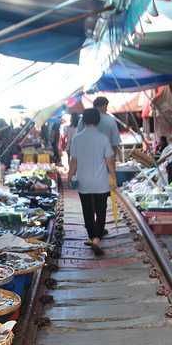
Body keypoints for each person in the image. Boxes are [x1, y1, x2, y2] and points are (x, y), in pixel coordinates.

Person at [69, 108, 115, 256]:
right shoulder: (103, 138)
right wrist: (113, 176)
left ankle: (92, 236)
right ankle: (97, 238)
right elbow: (109, 161)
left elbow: (73, 162)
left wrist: (70, 176)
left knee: (87, 210)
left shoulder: (76, 138)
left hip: (84, 181)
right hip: (101, 181)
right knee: (101, 210)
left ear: (84, 120)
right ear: (98, 120)